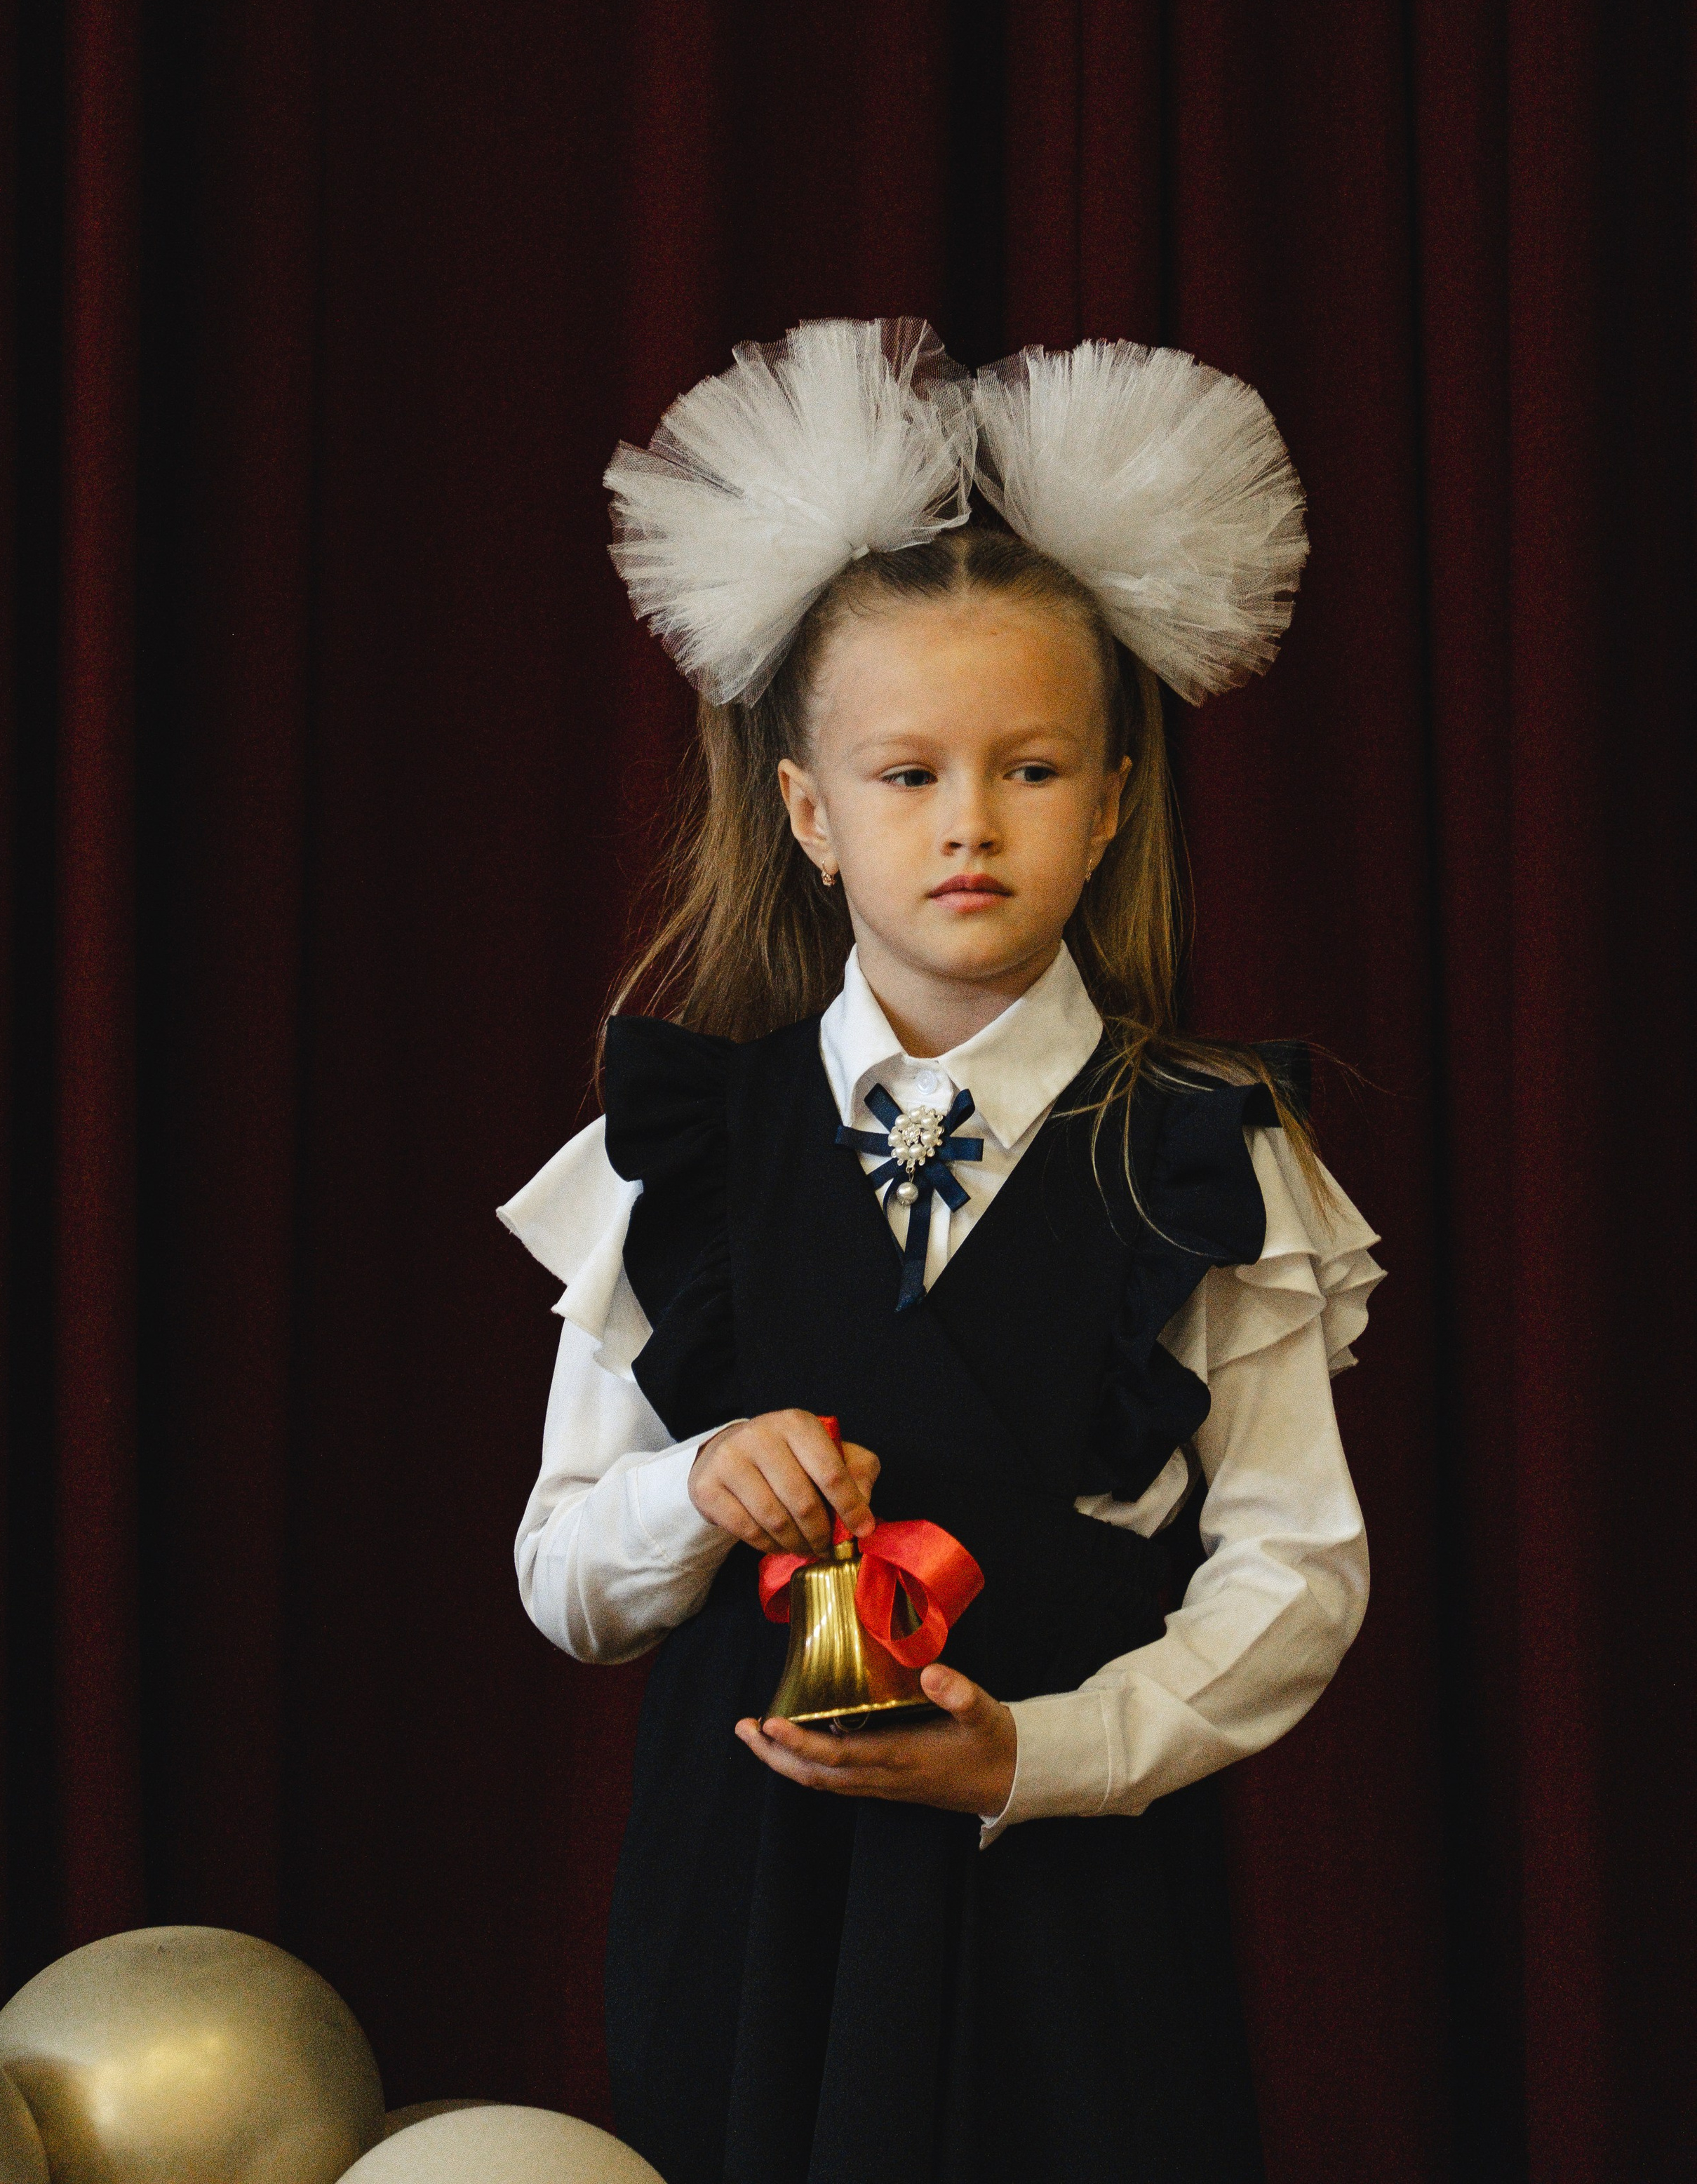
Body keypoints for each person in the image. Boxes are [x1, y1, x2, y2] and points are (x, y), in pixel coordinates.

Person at [507, 319, 1382, 2184]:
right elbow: (561, 1574)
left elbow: (1297, 1571)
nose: (970, 821)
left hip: (1077, 1938)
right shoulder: (679, 1156)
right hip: (741, 1932)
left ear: (1117, 796)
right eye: (907, 776)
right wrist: (688, 1492)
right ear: (811, 813)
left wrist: (1040, 1757)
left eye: (1033, 768)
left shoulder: (1205, 1159)